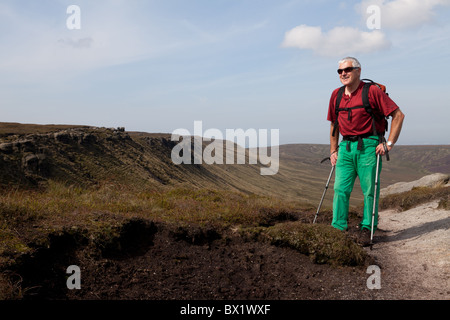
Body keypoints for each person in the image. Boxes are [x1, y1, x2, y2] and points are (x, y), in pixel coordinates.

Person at [327, 57, 405, 246]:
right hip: (345, 147)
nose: (343, 73)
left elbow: (398, 115)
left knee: (370, 190)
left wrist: (389, 143)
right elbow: (333, 124)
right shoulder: (336, 95)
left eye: (347, 69)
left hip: (369, 145)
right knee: (340, 189)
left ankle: (367, 228)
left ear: (358, 71)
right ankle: (338, 228)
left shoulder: (372, 92)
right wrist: (332, 150)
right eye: (340, 71)